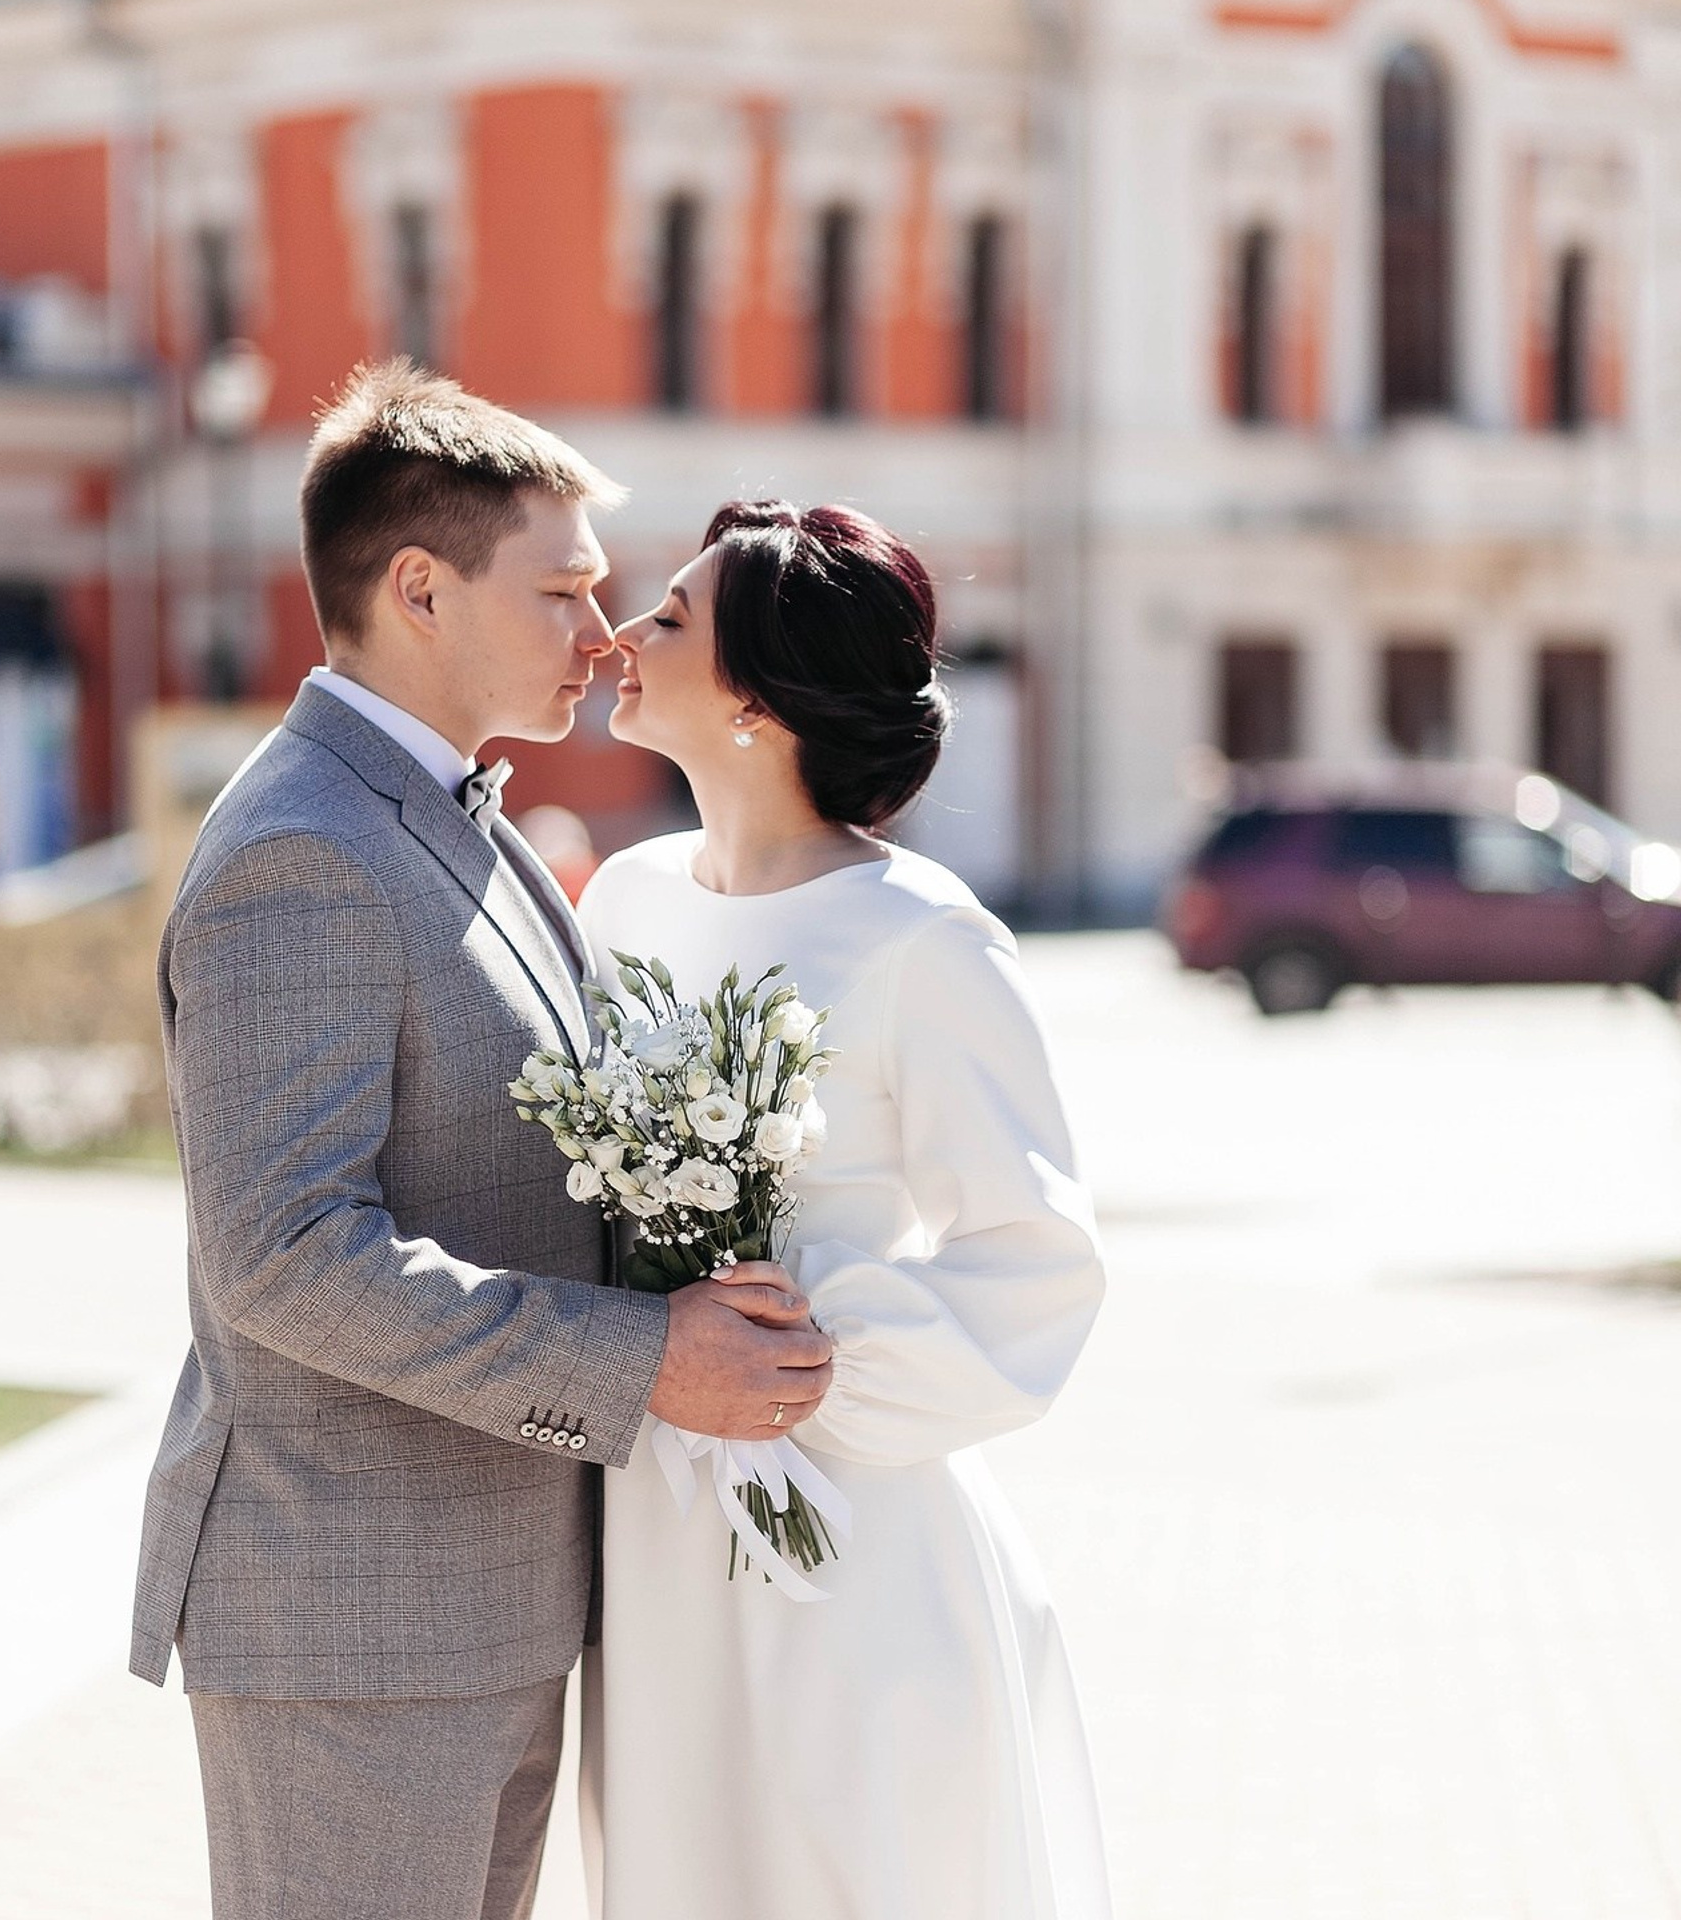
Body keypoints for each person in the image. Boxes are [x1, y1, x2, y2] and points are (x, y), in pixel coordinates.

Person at [128, 364, 833, 1920]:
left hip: (493, 1610)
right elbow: (285, 1257)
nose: (605, 631)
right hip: (352, 1633)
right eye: (563, 590)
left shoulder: (466, 821)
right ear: (420, 590)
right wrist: (647, 1361)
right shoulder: (302, 850)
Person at [577, 500, 1111, 1920]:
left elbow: (1041, 1263)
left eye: (670, 618)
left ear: (754, 702)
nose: (621, 634)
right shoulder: (622, 902)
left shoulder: (925, 939)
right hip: (654, 1537)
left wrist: (811, 1358)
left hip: (853, 1540)